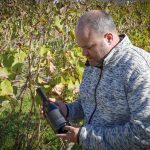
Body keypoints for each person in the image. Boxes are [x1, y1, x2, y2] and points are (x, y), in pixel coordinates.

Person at [48, 10, 150, 150]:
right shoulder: (94, 61)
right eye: (81, 48)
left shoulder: (138, 68)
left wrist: (83, 136)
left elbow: (144, 133)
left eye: (88, 47)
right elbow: (90, 103)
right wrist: (67, 110)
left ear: (108, 38)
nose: (84, 53)